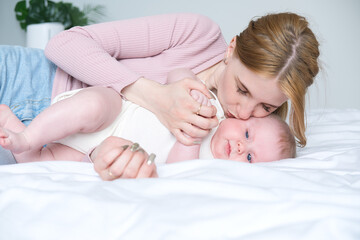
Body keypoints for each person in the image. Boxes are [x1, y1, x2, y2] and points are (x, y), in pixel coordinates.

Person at [0, 12, 319, 180]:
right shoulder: (199, 35)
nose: (244, 112)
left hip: (51, 148)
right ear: (231, 49)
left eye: (266, 106)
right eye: (242, 89)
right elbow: (63, 45)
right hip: (27, 80)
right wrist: (155, 96)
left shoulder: (231, 151)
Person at [0, 83, 295, 180]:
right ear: (236, 117)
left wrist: (191, 137)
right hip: (112, 116)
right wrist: (196, 100)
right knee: (97, 103)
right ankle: (29, 136)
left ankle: (11, 126)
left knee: (48, 162)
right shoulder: (212, 108)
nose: (242, 148)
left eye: (251, 158)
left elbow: (179, 169)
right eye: (246, 134)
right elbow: (176, 82)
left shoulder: (209, 169)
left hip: (95, 155)